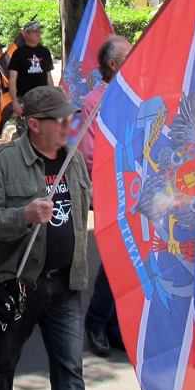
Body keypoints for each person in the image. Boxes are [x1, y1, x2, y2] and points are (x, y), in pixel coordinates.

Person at [0, 86, 91, 390]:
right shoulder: (4, 163)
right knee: (2, 365)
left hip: (67, 285)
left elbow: (84, 210)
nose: (69, 123)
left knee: (70, 370)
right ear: (36, 124)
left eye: (70, 116)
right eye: (60, 118)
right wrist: (24, 215)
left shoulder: (75, 159)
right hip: (19, 286)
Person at [78, 36, 131, 358]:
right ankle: (96, 322)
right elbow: (89, 152)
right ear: (113, 64)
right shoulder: (95, 101)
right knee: (117, 256)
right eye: (129, 54)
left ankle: (111, 324)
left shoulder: (136, 96)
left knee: (127, 259)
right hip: (113, 189)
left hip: (138, 188)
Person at [8, 20, 54, 136]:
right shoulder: (18, 53)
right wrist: (14, 101)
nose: (38, 34)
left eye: (39, 31)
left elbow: (49, 76)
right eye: (35, 32)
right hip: (24, 99)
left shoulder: (45, 52)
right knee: (25, 134)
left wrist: (52, 95)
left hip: (43, 99)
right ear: (26, 34)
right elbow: (12, 79)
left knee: (43, 132)